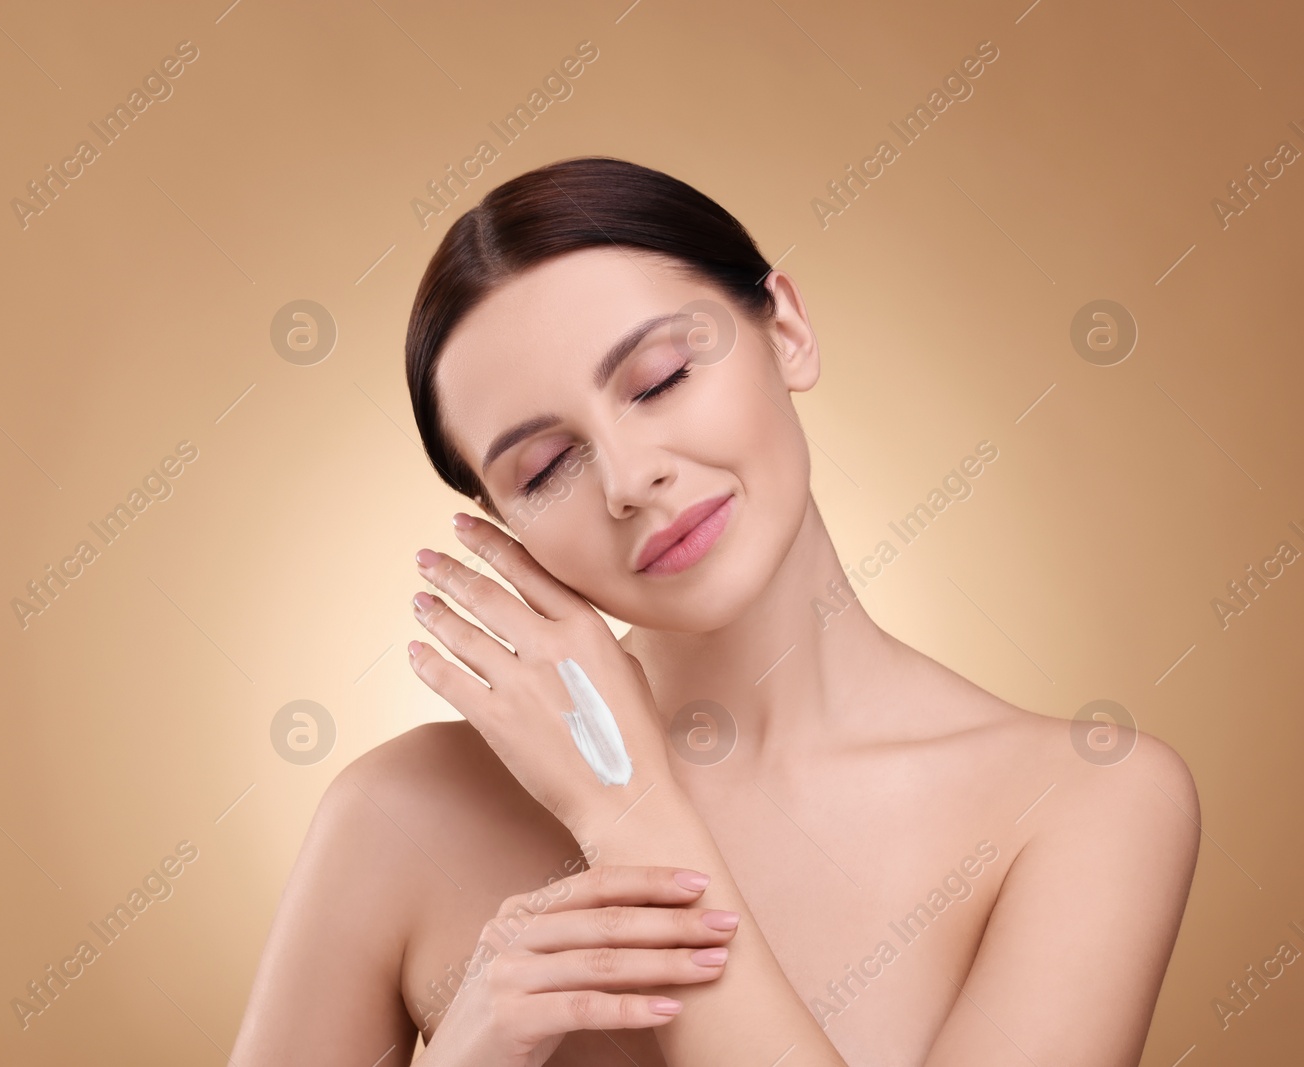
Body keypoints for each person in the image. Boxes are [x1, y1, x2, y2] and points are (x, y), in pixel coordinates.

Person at [229, 156, 1199, 1067]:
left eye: (659, 379)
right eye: (544, 466)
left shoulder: (1083, 802)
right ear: (505, 523)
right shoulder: (400, 816)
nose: (628, 474)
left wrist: (629, 807)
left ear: (785, 329)